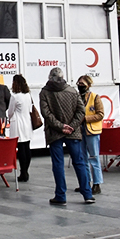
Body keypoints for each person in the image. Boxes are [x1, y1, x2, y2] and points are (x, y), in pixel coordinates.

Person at [39, 67, 95, 205]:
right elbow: (81, 111)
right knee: (80, 162)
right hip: (73, 132)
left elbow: (46, 114)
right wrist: (72, 126)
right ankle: (87, 194)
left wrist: (60, 126)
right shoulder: (72, 91)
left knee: (58, 164)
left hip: (54, 133)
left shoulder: (45, 92)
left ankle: (60, 196)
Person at [77, 75, 104, 195]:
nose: (79, 85)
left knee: (93, 157)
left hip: (92, 130)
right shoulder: (77, 97)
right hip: (80, 131)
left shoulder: (95, 97)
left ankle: (97, 184)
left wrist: (85, 119)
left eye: (82, 84)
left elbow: (100, 114)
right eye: (79, 83)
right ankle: (86, 183)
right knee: (83, 158)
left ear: (88, 84)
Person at [7, 74, 32, 182]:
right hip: (27, 122)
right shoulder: (28, 95)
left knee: (21, 148)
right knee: (27, 148)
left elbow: (10, 112)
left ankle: (23, 172)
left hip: (18, 123)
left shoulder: (14, 96)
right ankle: (25, 170)